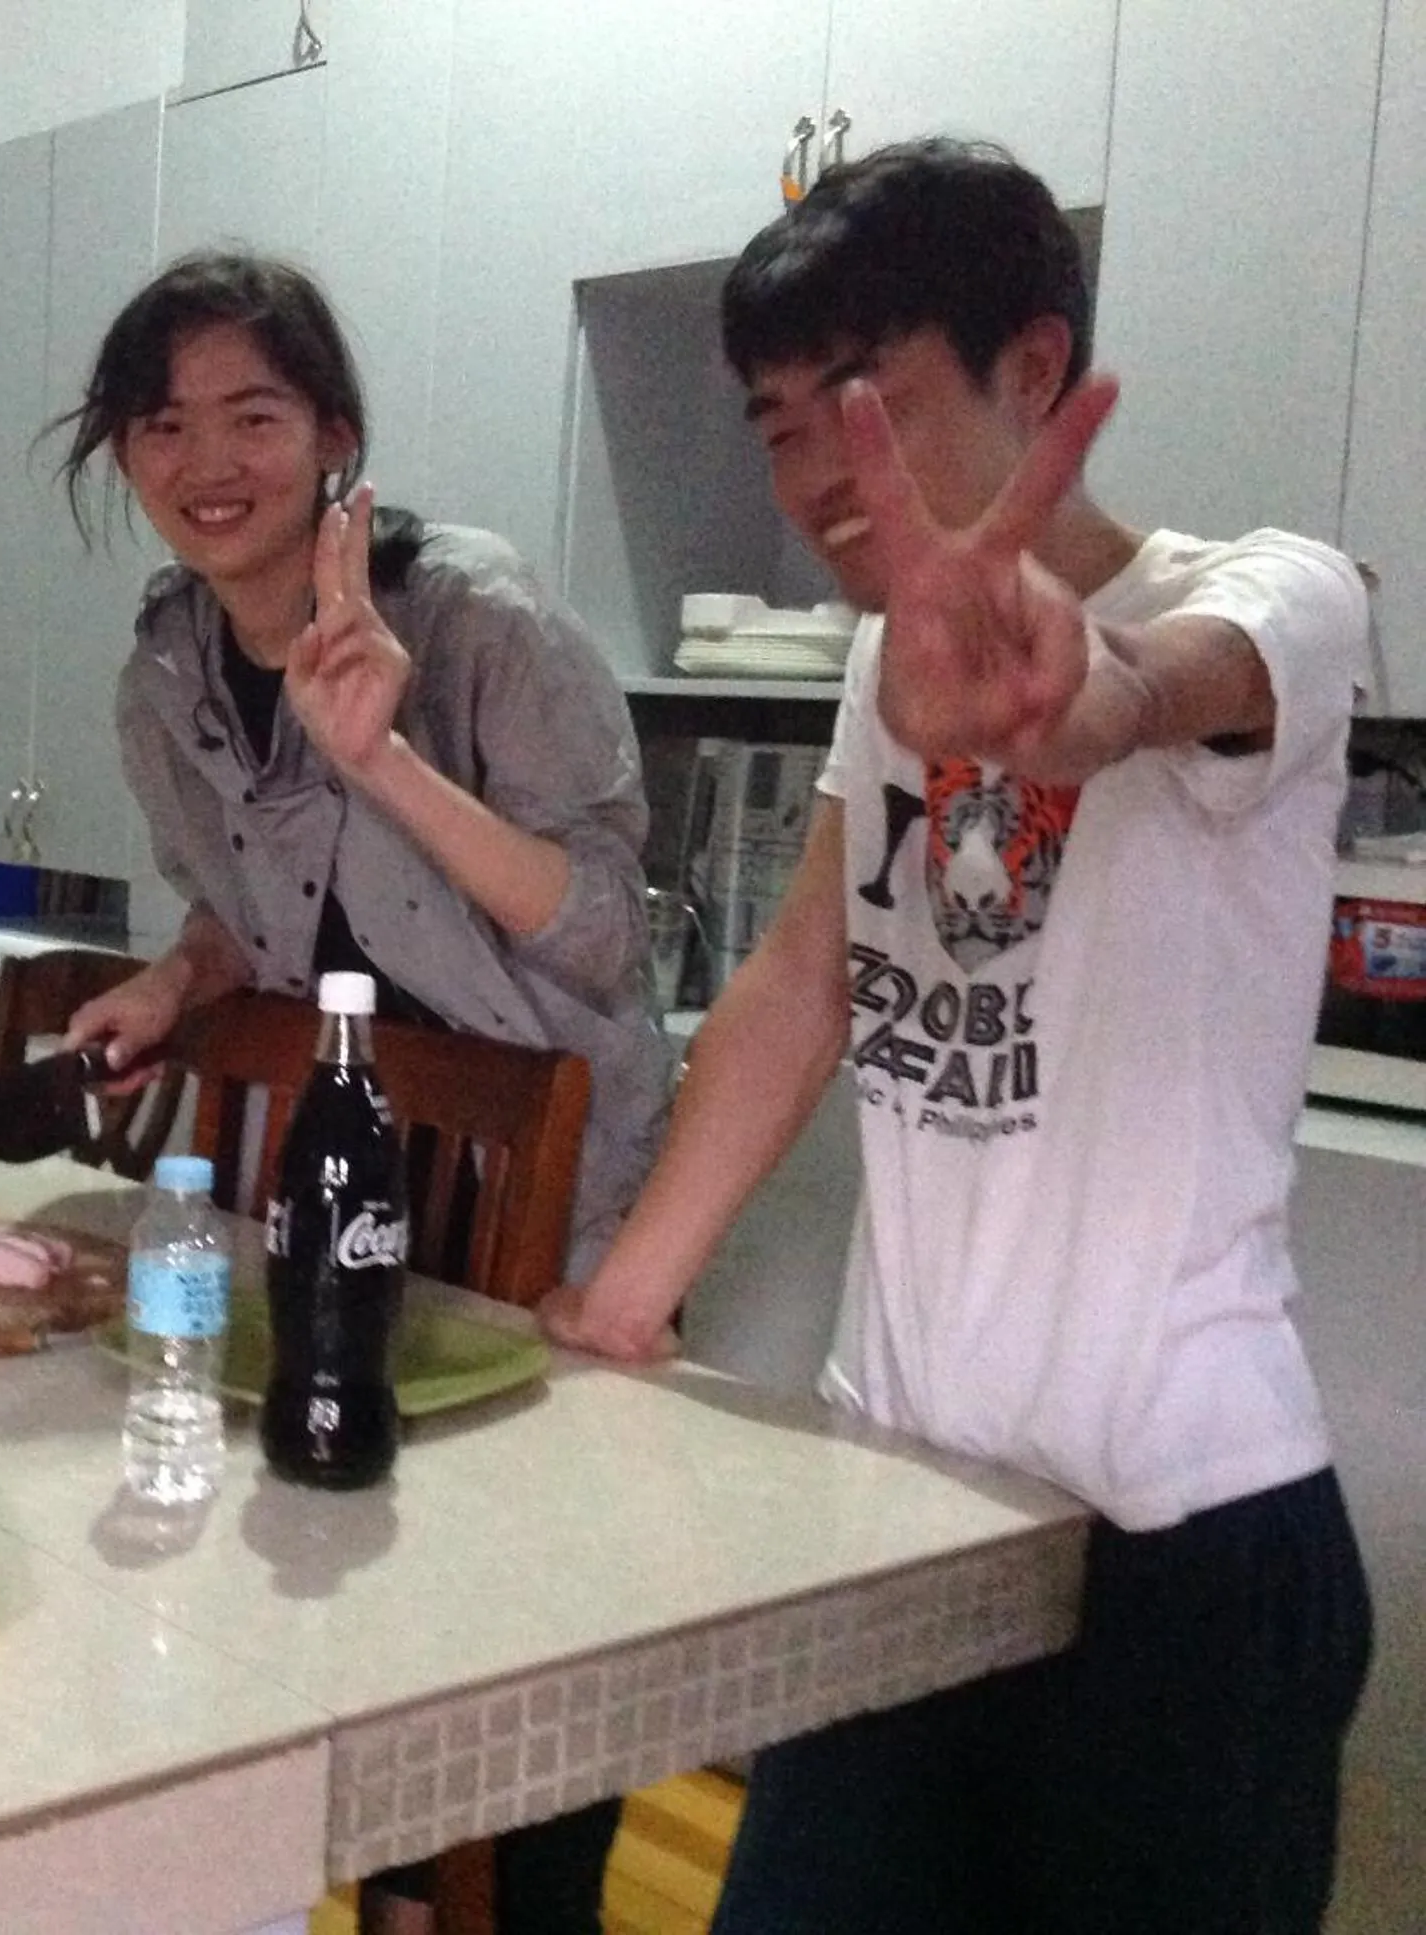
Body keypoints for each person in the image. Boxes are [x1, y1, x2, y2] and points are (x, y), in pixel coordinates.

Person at [547, 141, 1375, 1934]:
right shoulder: (879, 671)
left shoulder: (1282, 593)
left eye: (866, 402)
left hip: (1186, 1546)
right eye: (778, 426)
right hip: (905, 1520)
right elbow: (799, 980)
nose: (820, 479)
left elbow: (1164, 690)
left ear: (1035, 367)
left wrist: (1087, 701)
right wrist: (627, 1296)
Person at [54, 250, 672, 1935]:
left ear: (335, 431)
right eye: (162, 422)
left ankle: (481, 1906)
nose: (207, 460)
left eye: (253, 412)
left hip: (541, 1180)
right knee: (322, 1565)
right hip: (341, 1162)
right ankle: (360, 1879)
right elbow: (243, 913)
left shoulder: (480, 622)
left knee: (524, 1616)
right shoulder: (167, 669)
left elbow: (609, 935)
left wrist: (378, 754)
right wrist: (170, 988)